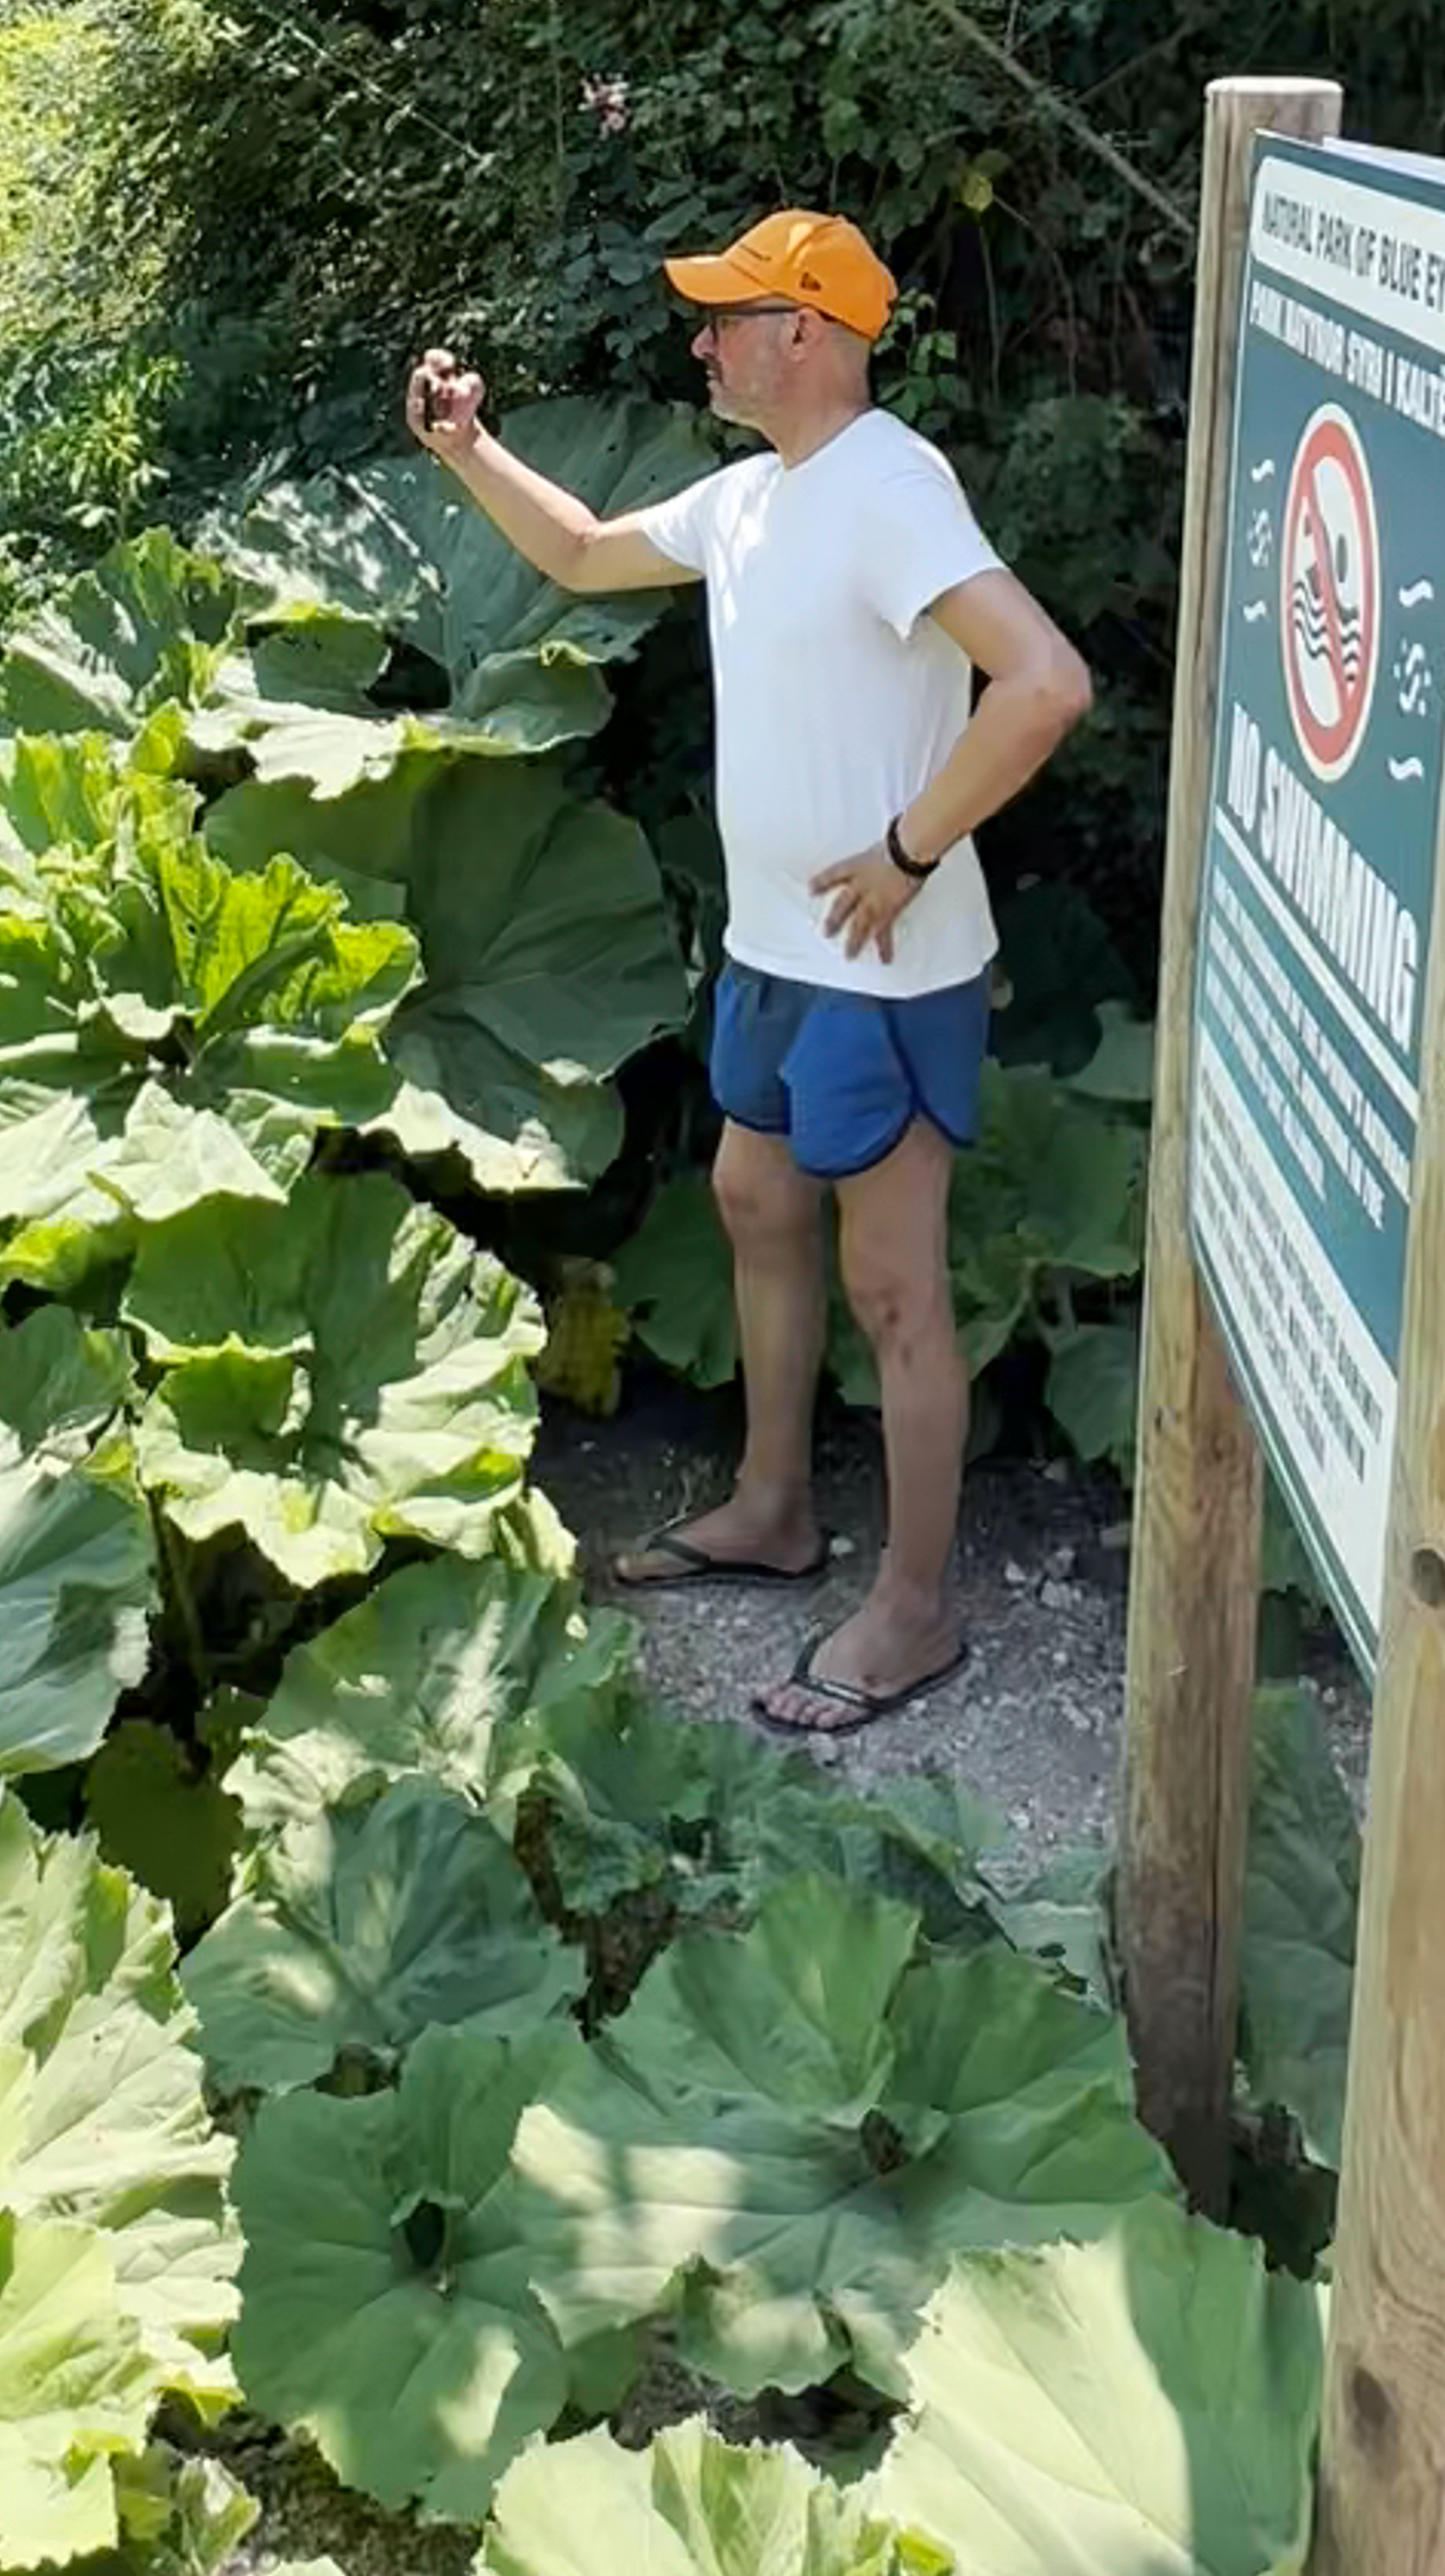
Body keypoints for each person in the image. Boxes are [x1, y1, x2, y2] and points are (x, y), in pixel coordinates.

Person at [403, 206, 1092, 1739]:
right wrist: (467, 448)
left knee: (894, 1281)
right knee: (754, 1200)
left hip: (883, 960)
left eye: (729, 314)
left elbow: (1044, 681)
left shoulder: (890, 488)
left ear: (810, 333)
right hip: (776, 949)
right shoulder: (754, 498)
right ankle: (776, 1506)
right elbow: (582, 555)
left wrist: (911, 846)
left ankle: (914, 1609)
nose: (703, 339)